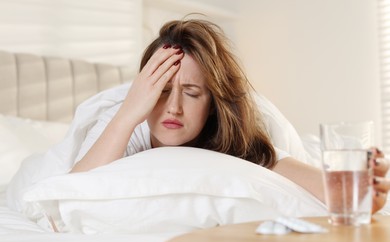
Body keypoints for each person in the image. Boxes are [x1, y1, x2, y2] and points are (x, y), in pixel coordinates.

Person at [70, 18, 390, 213]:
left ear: (213, 101)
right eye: (163, 91)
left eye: (192, 93)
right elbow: (69, 191)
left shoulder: (228, 137)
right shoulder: (126, 121)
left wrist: (359, 191)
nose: (174, 108)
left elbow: (308, 179)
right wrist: (128, 113)